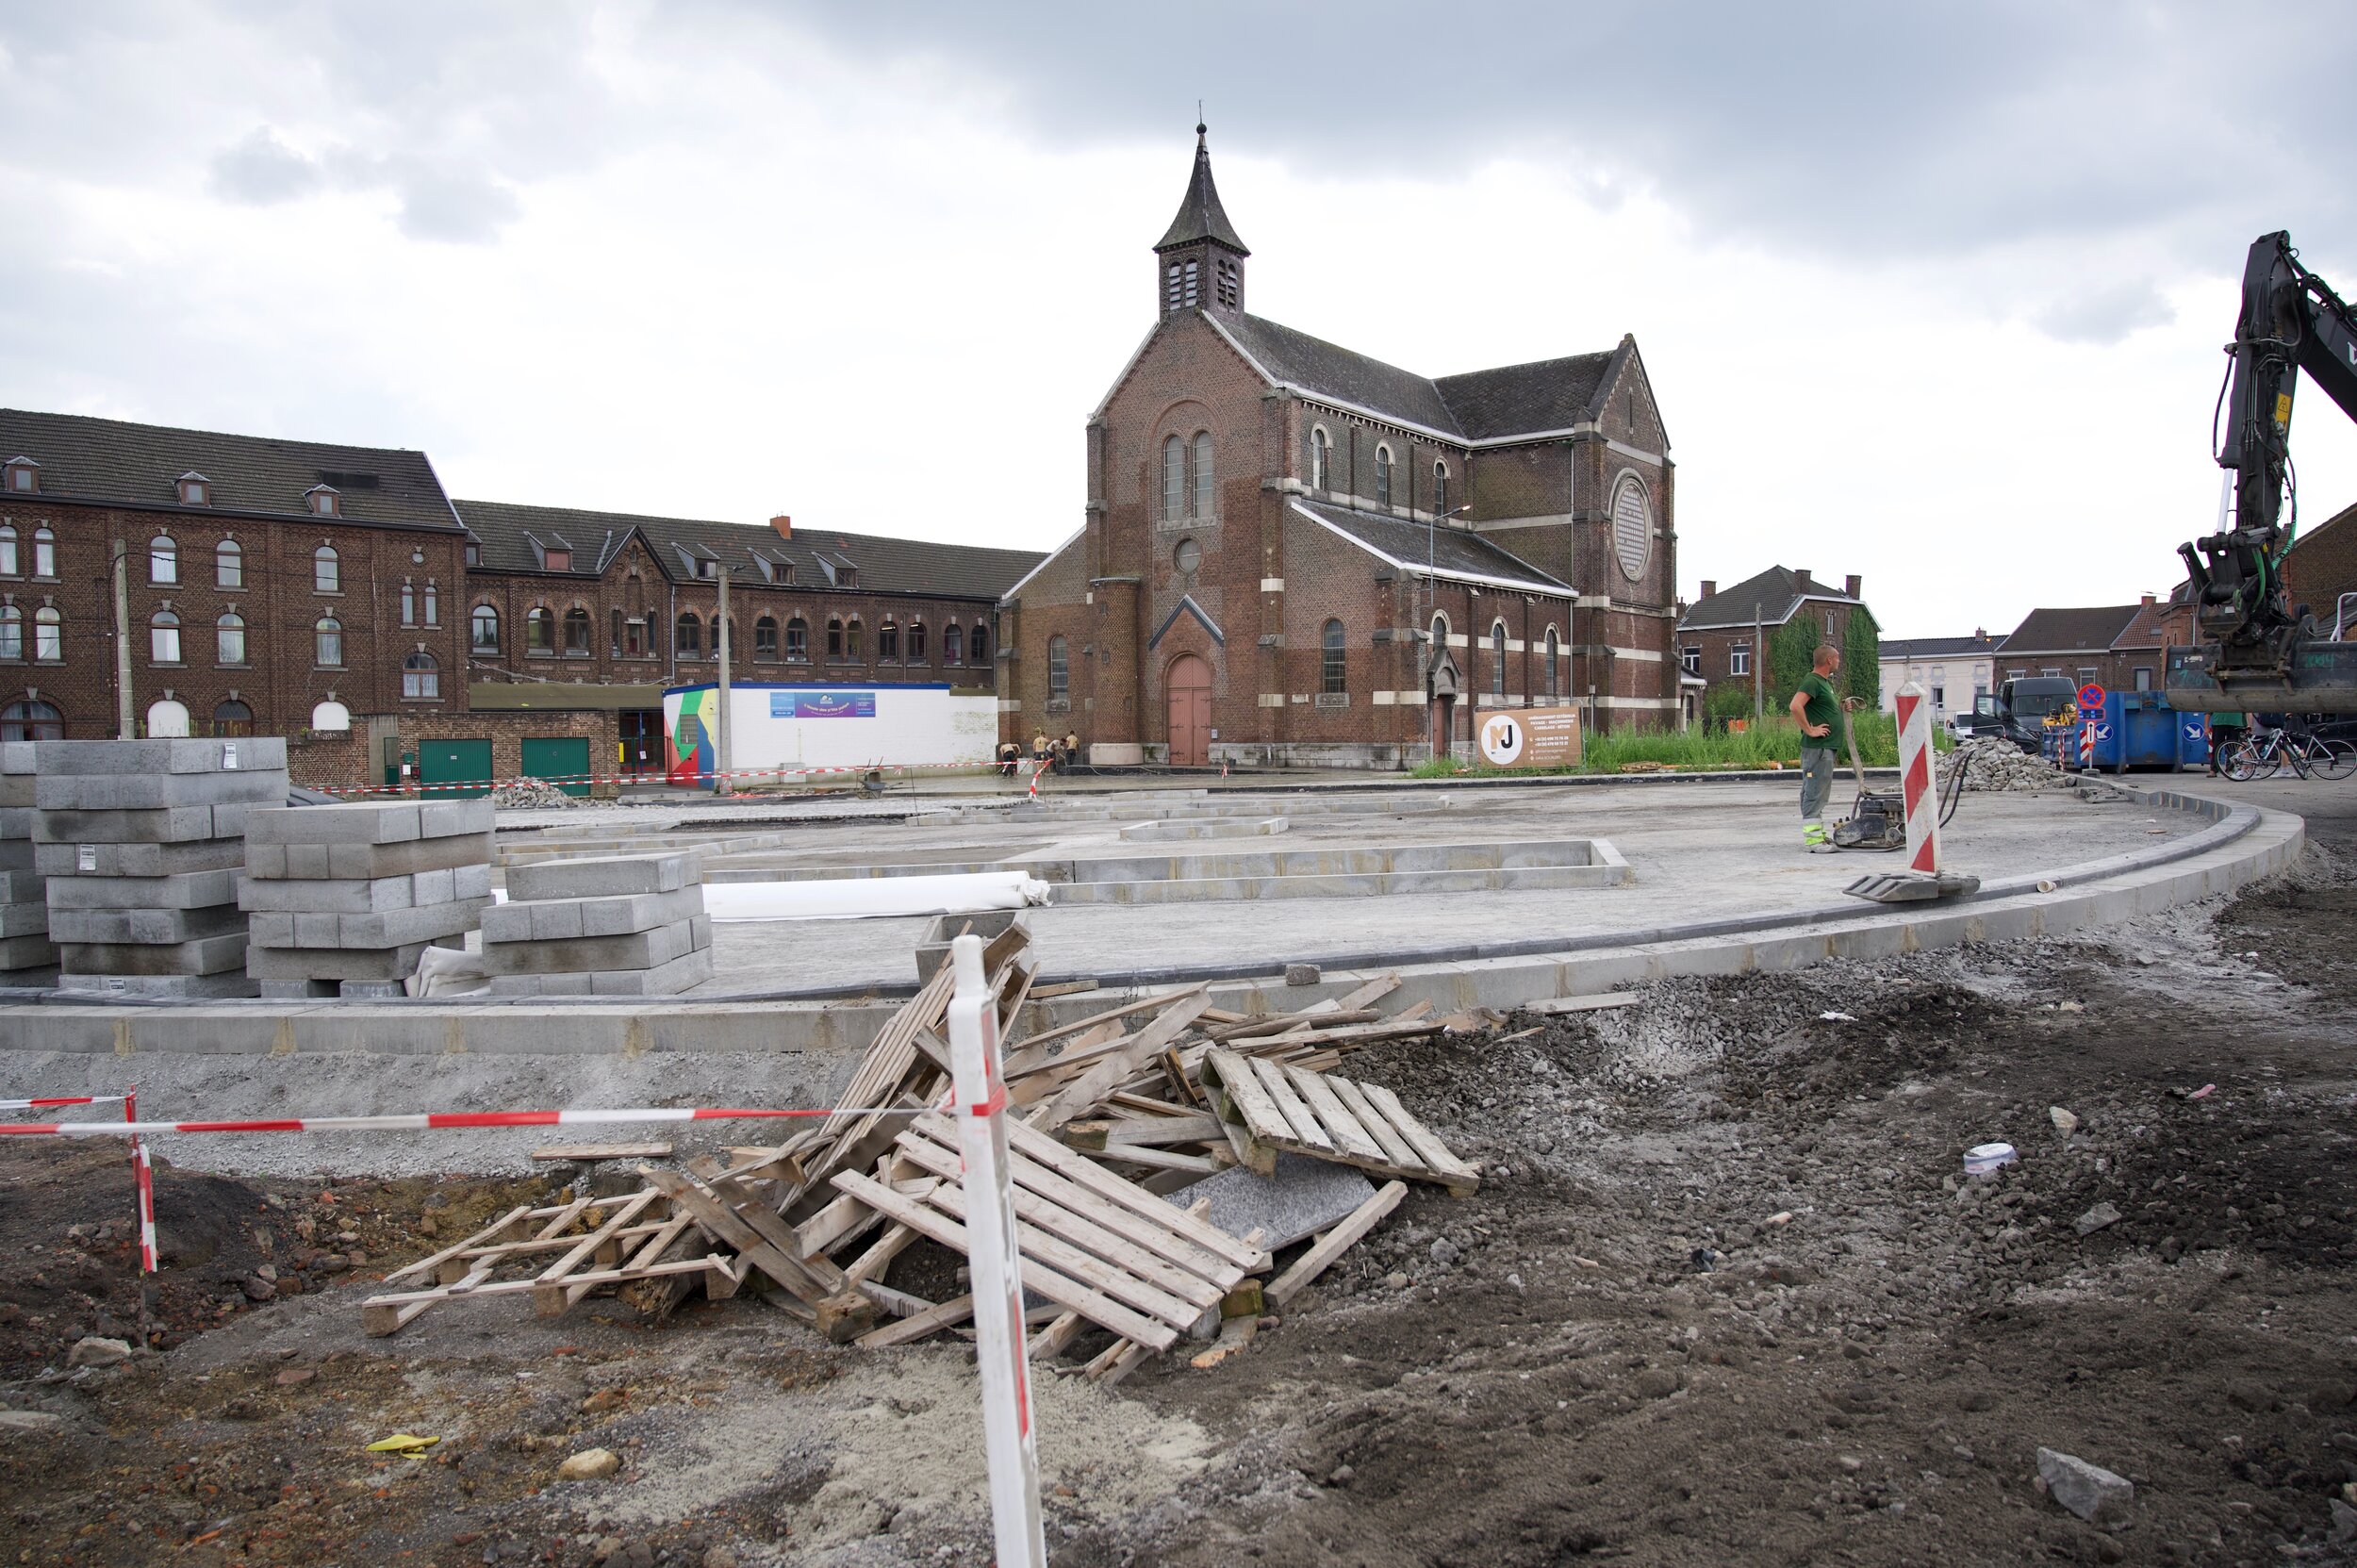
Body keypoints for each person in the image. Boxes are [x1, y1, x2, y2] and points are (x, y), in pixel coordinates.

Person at [1788, 644, 1862, 852]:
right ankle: (1814, 841)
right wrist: (1810, 730)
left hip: (1825, 748)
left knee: (1819, 790)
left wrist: (1840, 708)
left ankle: (1819, 835)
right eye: (1837, 657)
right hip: (1818, 748)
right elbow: (1795, 706)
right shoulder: (1812, 681)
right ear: (1829, 660)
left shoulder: (1824, 683)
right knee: (1814, 790)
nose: (1839, 661)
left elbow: (1820, 708)